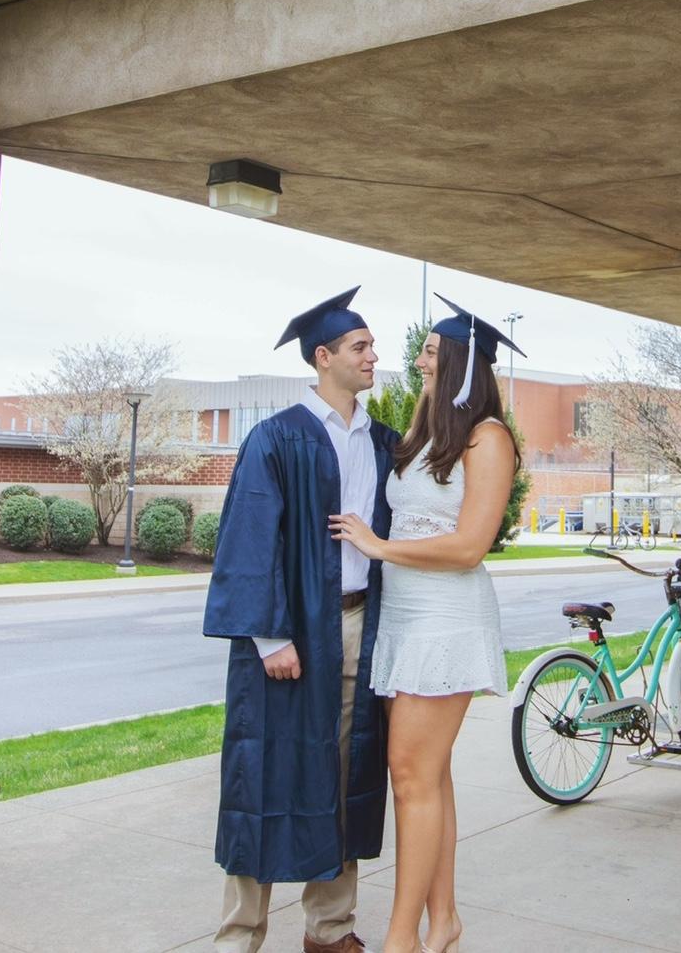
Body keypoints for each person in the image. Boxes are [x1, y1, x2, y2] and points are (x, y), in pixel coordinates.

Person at [203, 287, 399, 953]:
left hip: (359, 627)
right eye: (360, 347)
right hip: (289, 637)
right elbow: (248, 538)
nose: (373, 357)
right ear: (323, 357)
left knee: (345, 776)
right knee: (262, 775)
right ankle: (239, 935)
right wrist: (270, 637)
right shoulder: (277, 437)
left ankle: (330, 929)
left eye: (371, 346)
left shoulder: (382, 442)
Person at [330, 295, 522, 953]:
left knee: (410, 775)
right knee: (428, 776)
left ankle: (400, 940)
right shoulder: (425, 432)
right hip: (404, 619)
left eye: (432, 352)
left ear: (463, 364)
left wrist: (379, 548)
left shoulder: (488, 438)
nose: (419, 361)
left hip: (447, 621)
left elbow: (469, 546)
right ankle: (443, 923)